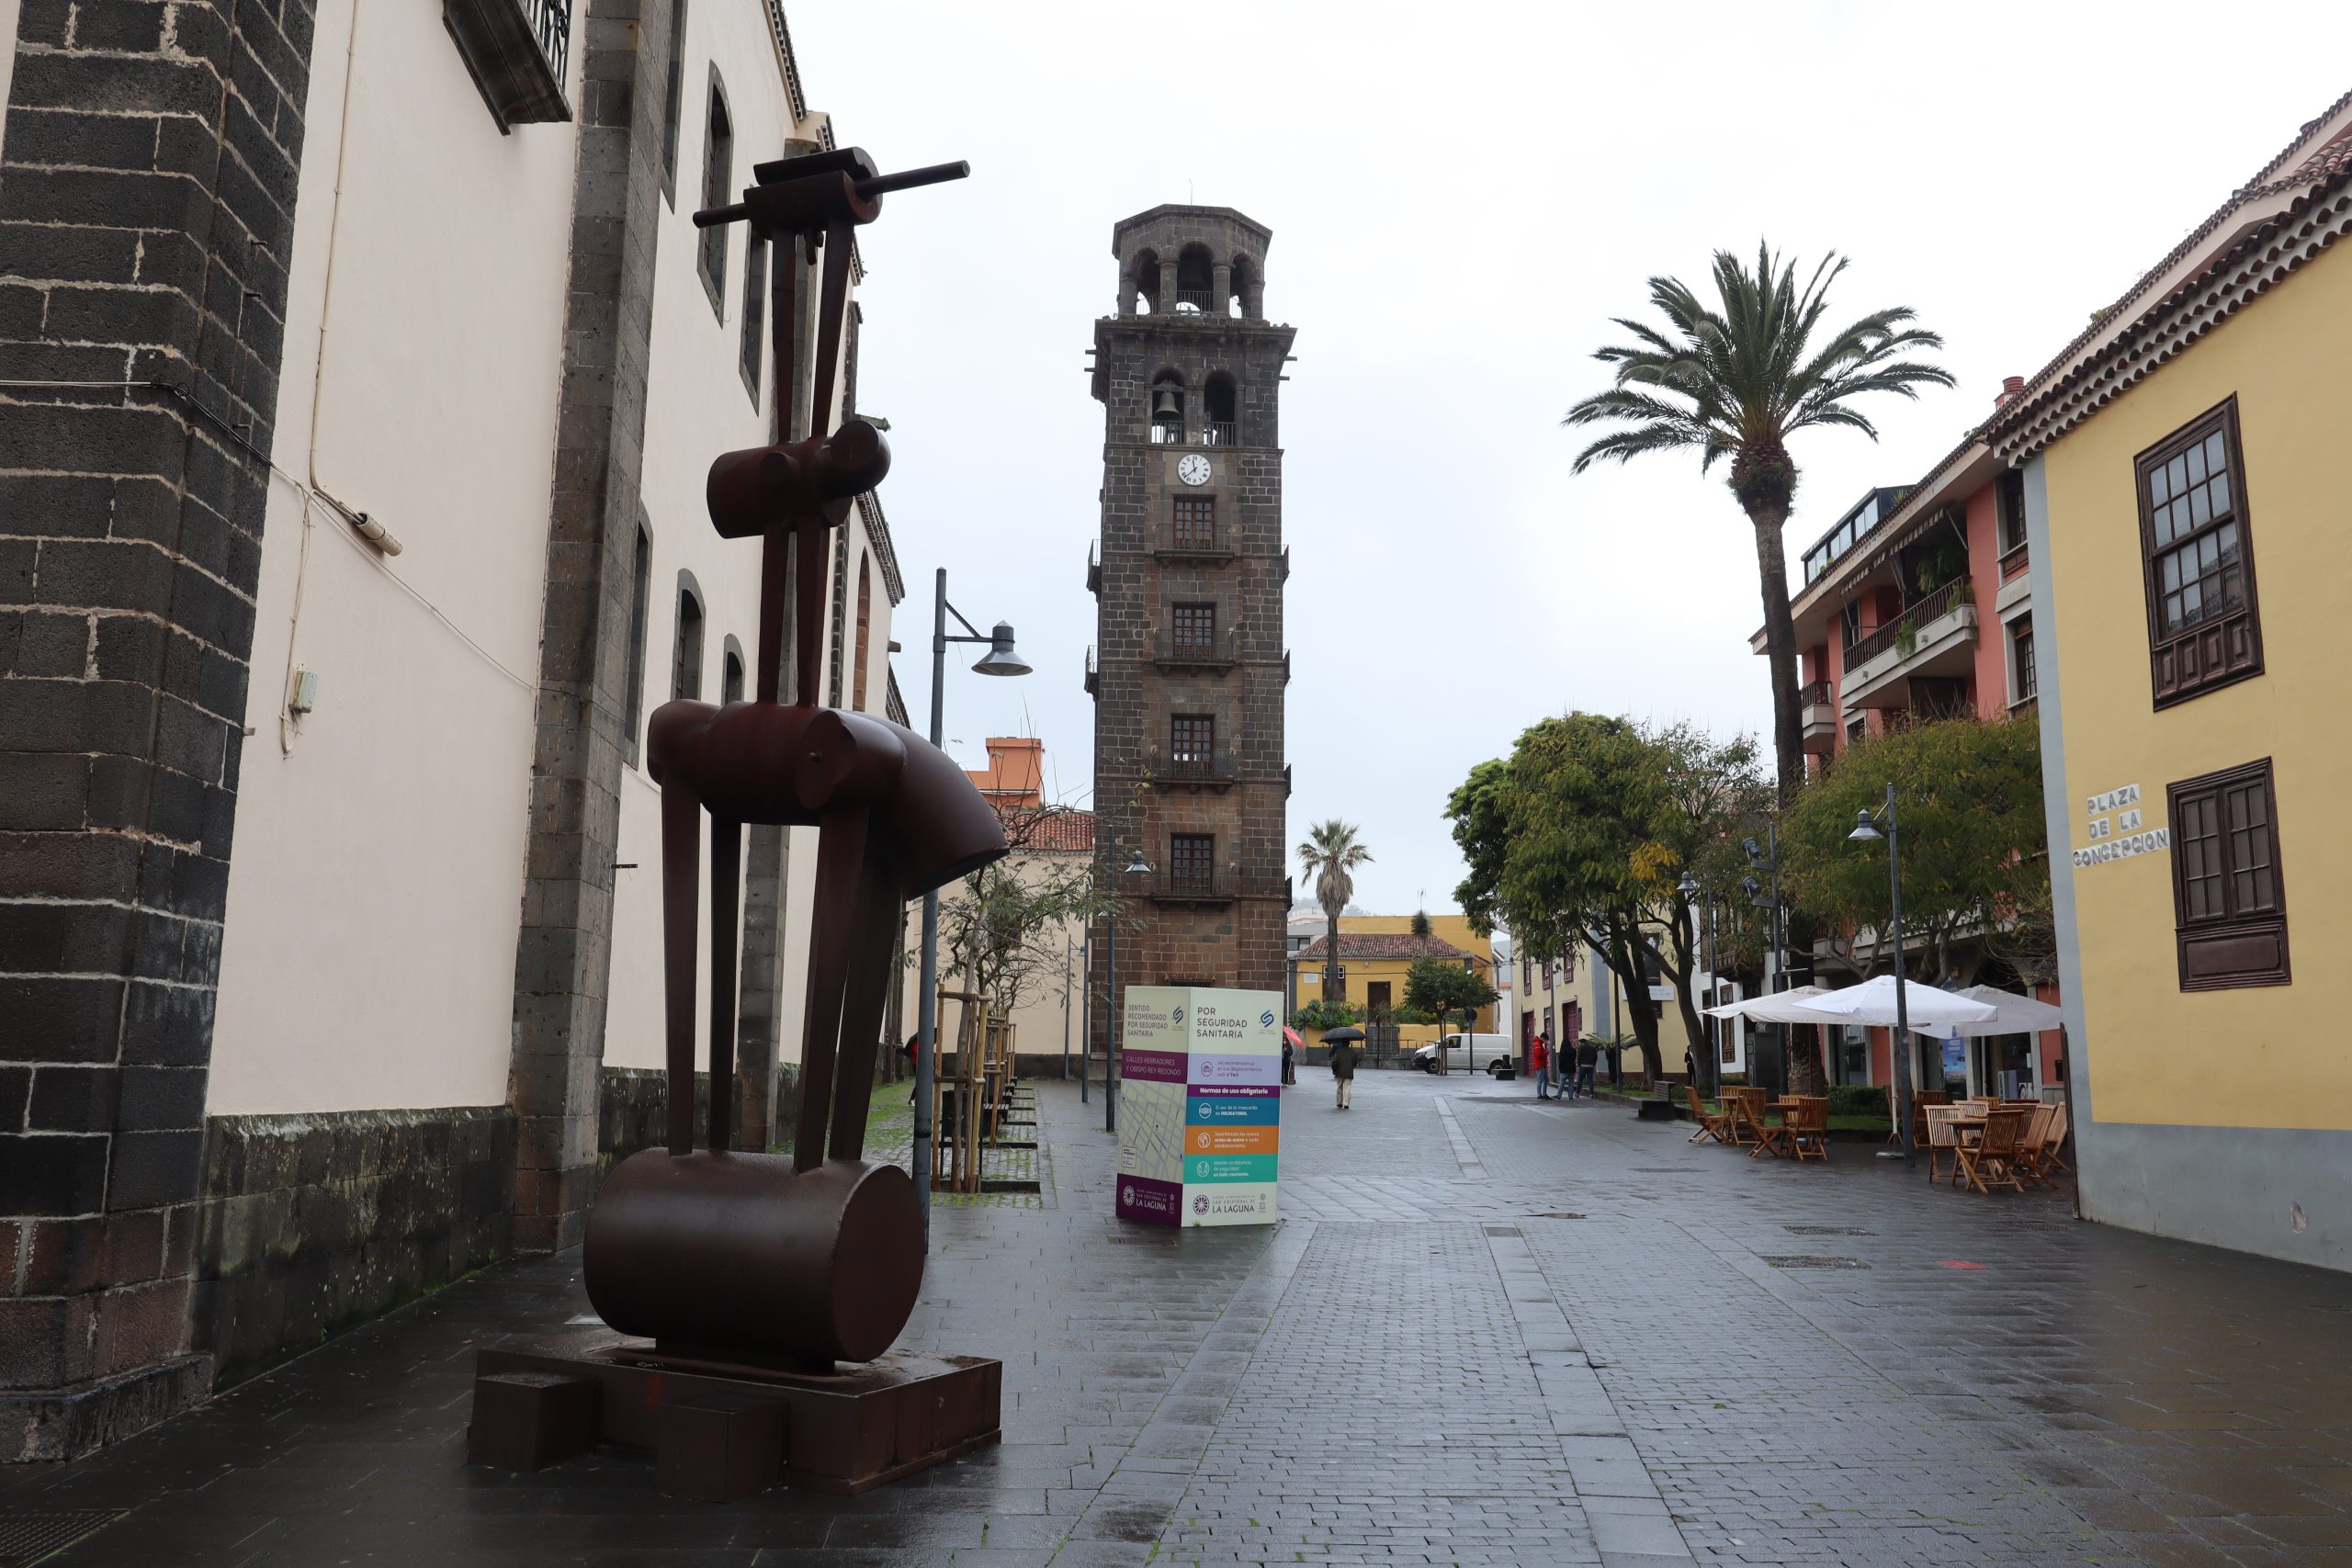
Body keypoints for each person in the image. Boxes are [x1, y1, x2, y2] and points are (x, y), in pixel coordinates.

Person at [1329, 1033, 1358, 1111]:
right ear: (1349, 1043)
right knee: (1347, 1088)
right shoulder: (1353, 1052)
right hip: (1349, 1072)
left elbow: (1334, 1062)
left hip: (1339, 1072)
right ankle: (1346, 1104)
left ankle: (1339, 1103)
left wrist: (1334, 1070)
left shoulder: (1338, 1051)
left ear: (1342, 1043)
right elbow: (1355, 1062)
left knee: (1339, 1087)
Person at [1575, 1034, 1600, 1100]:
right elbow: (1596, 1057)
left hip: (1583, 1066)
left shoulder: (1581, 1048)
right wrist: (1593, 1064)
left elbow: (1579, 1057)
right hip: (1591, 1066)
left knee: (1580, 1080)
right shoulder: (1593, 1048)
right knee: (1590, 1080)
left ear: (1582, 1043)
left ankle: (1577, 1093)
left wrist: (1579, 1064)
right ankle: (1591, 1094)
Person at [1529, 1032, 1552, 1100]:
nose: (1546, 1042)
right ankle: (1539, 1095)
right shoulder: (1537, 1044)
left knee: (1546, 1080)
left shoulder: (1539, 1044)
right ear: (1543, 1038)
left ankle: (1544, 1094)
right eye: (1546, 1040)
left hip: (1542, 1065)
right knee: (1540, 1080)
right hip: (1540, 1065)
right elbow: (1539, 1055)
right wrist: (1546, 1052)